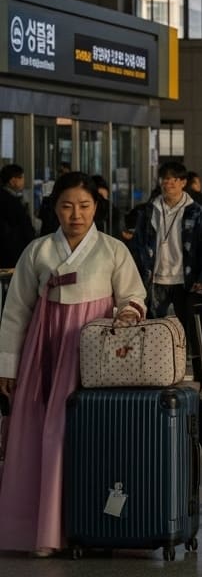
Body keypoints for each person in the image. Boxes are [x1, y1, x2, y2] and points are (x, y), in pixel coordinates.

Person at [0, 172, 146, 556]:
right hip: (42, 356)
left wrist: (129, 312)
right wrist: (8, 366)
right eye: (66, 206)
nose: (75, 214)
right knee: (39, 434)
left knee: (81, 436)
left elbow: (133, 295)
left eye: (83, 206)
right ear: (55, 208)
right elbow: (16, 311)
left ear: (96, 207)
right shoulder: (38, 250)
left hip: (93, 356)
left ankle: (91, 524)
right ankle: (42, 531)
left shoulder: (113, 249)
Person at [128, 160, 202, 348]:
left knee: (185, 330)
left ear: (183, 182)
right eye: (164, 179)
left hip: (185, 280)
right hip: (155, 279)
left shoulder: (197, 212)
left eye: (173, 179)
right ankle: (156, 367)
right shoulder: (149, 210)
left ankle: (181, 364)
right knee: (152, 328)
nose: (168, 184)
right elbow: (138, 245)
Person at [0, 163, 36, 269]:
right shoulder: (10, 201)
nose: (23, 181)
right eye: (21, 177)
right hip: (12, 250)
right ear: (13, 181)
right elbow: (22, 225)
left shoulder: (8, 197)